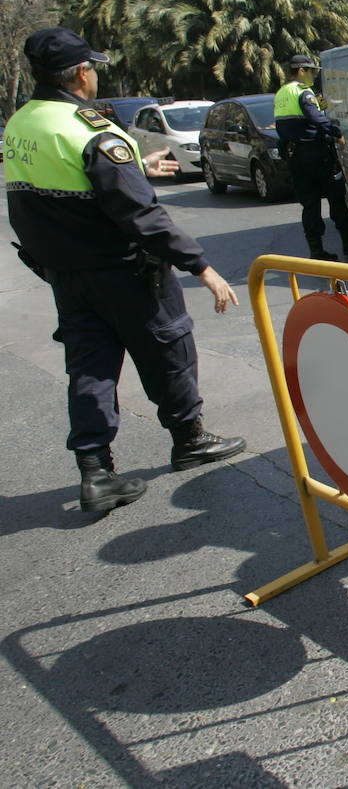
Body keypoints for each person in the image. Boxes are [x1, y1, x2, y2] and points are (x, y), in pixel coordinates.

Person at [4, 28, 247, 514]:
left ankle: (95, 471)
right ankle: (189, 439)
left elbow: (72, 187)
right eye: (91, 67)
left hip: (67, 275)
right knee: (168, 348)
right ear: (80, 73)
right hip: (126, 272)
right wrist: (201, 266)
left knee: (89, 366)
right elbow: (141, 217)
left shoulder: (22, 124)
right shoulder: (89, 130)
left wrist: (138, 164)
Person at [274, 54, 348, 260]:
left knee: (310, 205)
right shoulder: (303, 93)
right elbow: (316, 118)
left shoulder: (282, 93)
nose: (313, 75)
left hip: (296, 156)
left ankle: (316, 251)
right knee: (336, 197)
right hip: (318, 154)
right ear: (301, 71)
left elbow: (286, 124)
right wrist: (336, 133)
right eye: (311, 71)